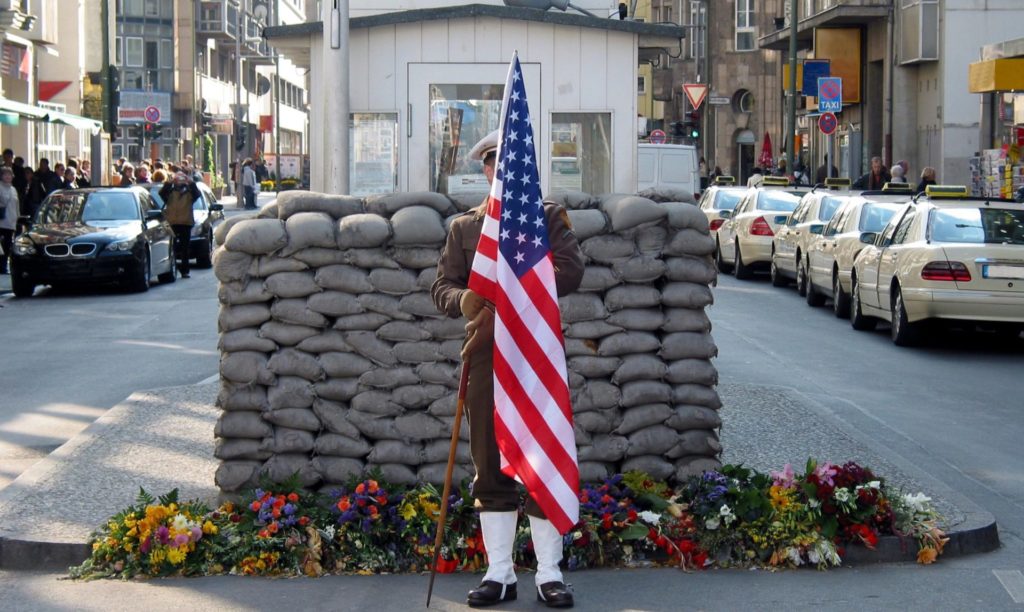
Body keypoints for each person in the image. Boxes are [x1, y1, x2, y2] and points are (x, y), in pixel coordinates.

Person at [431, 130, 584, 609]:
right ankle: (500, 573)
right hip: (486, 357)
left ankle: (549, 573)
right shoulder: (465, 228)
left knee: (540, 458)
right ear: (486, 170)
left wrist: (519, 286)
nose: (504, 171)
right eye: (496, 164)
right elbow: (442, 288)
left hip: (535, 360)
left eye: (513, 163)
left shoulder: (548, 218)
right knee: (489, 466)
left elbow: (571, 270)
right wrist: (465, 299)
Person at [159, 172, 201, 279]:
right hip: (171, 222)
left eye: (182, 179)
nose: (180, 181)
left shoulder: (189, 193)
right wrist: (169, 182)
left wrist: (190, 182)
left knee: (184, 248)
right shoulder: (170, 192)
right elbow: (162, 193)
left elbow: (197, 194)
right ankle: (171, 268)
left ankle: (185, 270)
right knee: (171, 247)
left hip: (185, 223)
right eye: (179, 179)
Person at [0, 167, 18, 274]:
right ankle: (1, 266)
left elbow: (16, 205)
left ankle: (3, 266)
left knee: (7, 246)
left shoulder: (13, 189)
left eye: (9, 174)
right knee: (1, 246)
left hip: (11, 222)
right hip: (1, 221)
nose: (7, 176)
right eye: (5, 174)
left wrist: (18, 218)